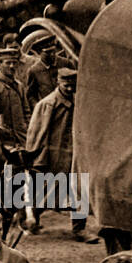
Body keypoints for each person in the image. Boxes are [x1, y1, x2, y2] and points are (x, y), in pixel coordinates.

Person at [24, 66, 94, 240]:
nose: (70, 89)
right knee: (44, 190)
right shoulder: (47, 104)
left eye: (73, 85)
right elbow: (36, 133)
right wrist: (35, 158)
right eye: (66, 85)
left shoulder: (80, 102)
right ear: (58, 82)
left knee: (80, 188)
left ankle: (79, 229)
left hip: (75, 156)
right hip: (53, 157)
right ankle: (33, 220)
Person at [0, 46, 30, 148]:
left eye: (14, 63)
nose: (12, 66)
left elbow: (27, 113)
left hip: (22, 141)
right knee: (8, 165)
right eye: (8, 63)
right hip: (4, 145)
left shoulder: (19, 86)